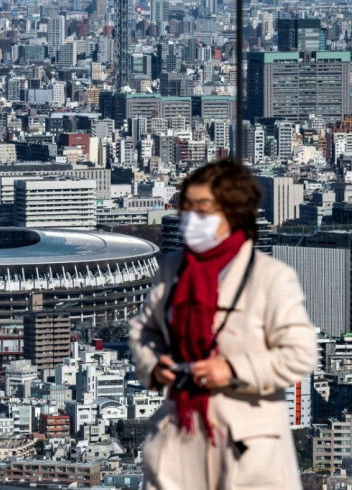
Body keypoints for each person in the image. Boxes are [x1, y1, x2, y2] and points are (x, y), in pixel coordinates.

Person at [129, 159, 316, 490]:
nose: (191, 219)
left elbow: (301, 354)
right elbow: (146, 330)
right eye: (187, 208)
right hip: (181, 431)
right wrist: (156, 365)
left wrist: (231, 370)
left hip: (247, 435)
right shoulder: (175, 268)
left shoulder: (269, 277)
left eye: (203, 209)